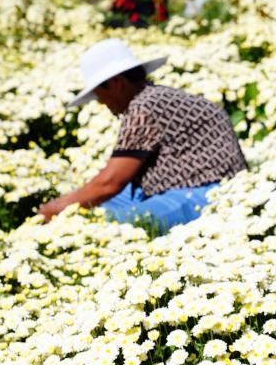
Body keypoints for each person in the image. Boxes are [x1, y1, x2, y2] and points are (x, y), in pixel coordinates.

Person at [38, 39, 248, 233]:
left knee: (104, 226)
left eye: (99, 94)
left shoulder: (145, 106)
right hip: (177, 187)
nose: (101, 102)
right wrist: (62, 205)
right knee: (87, 211)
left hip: (208, 193)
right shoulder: (153, 98)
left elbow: (110, 182)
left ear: (116, 83)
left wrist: (58, 209)